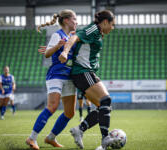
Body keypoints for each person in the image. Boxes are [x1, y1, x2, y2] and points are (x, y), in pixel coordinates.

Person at [59, 10, 119, 150]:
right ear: (105, 22)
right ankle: (105, 140)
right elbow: (74, 38)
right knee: (106, 101)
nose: (113, 27)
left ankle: (79, 129)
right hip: (82, 72)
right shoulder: (93, 29)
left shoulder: (98, 33)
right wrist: (65, 52)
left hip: (86, 73)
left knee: (104, 107)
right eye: (112, 24)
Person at [26, 9, 77, 150]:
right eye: (75, 19)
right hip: (56, 76)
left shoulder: (72, 36)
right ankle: (32, 138)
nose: (77, 22)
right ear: (66, 20)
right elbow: (47, 54)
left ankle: (51, 138)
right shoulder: (57, 34)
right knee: (52, 107)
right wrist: (57, 46)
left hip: (69, 78)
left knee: (70, 113)